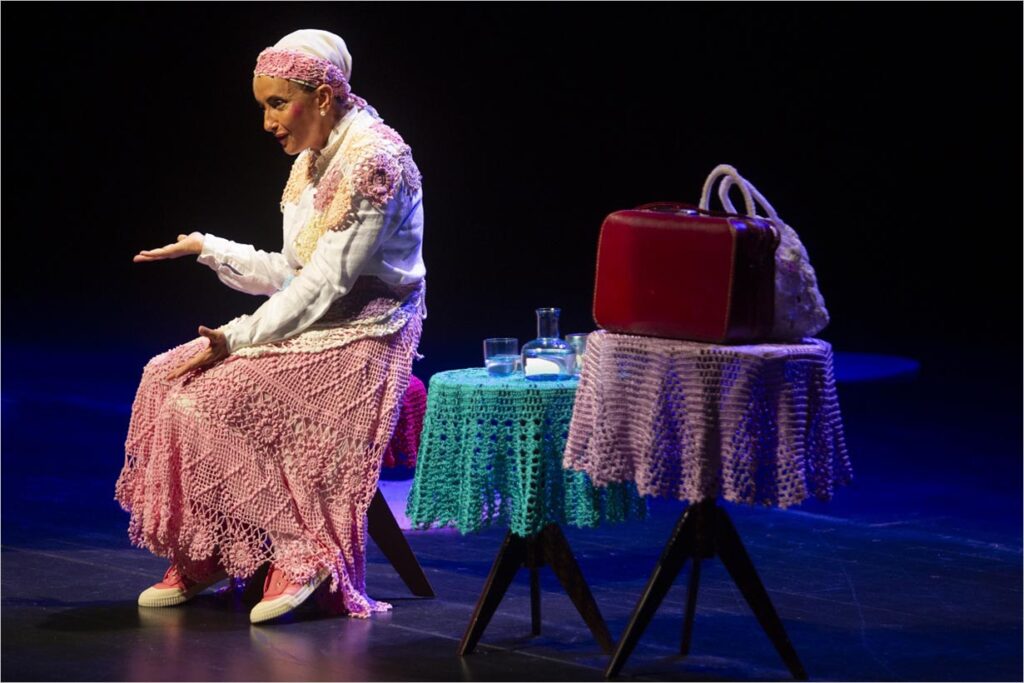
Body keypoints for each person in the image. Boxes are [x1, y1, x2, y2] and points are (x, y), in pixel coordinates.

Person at [115, 29, 426, 623]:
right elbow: (292, 271)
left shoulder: (375, 164)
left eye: (277, 104)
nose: (266, 122)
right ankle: (205, 551)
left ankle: (303, 553)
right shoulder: (311, 160)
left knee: (204, 399)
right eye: (263, 106)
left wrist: (235, 338)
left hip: (368, 334)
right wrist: (209, 247)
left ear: (325, 96)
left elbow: (326, 285)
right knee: (164, 377)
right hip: (315, 324)